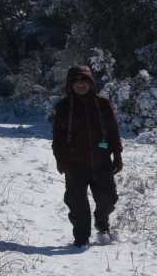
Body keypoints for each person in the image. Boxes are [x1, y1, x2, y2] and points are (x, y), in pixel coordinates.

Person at [51, 65, 123, 247]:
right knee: (77, 204)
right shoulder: (63, 107)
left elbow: (113, 131)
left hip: (102, 161)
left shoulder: (102, 104)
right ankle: (81, 239)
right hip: (75, 164)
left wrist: (117, 154)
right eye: (76, 81)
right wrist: (61, 160)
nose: (81, 85)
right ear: (70, 84)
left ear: (91, 83)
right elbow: (58, 138)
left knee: (108, 198)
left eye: (84, 81)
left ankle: (101, 221)